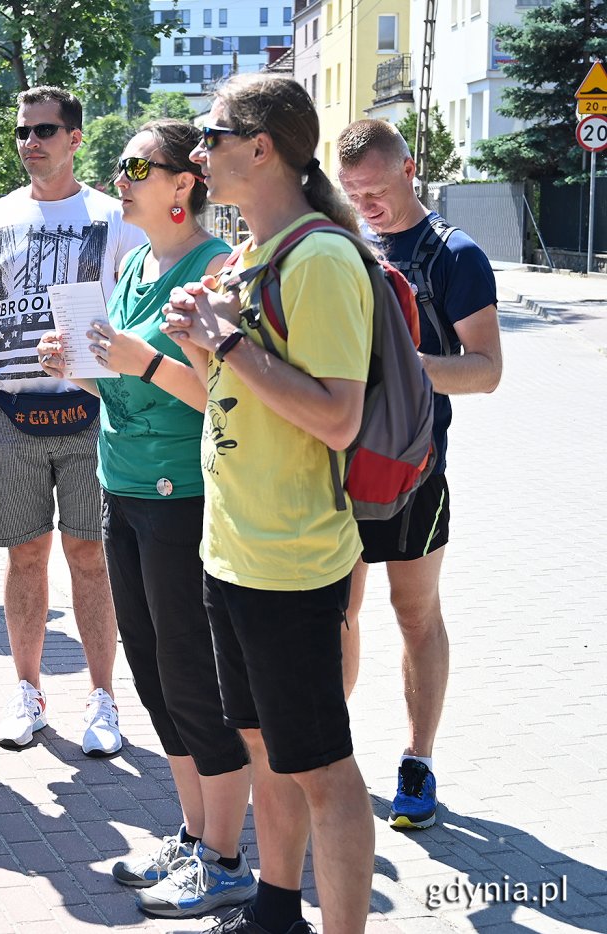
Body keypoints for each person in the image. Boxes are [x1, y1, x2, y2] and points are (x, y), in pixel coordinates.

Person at [162, 74, 376, 934]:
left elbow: (336, 415)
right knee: (263, 751)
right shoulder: (253, 254)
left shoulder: (319, 257)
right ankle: (277, 910)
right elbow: (244, 394)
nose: (197, 152)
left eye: (212, 136)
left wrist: (229, 343)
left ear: (263, 148)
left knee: (323, 768)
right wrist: (202, 343)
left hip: (290, 558)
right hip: (233, 550)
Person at [37, 119, 254, 919]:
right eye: (118, 165)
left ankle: (228, 860)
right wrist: (82, 372)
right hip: (120, 486)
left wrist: (145, 360)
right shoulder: (129, 265)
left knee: (194, 677)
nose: (118, 177)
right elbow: (121, 389)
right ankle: (195, 837)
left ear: (182, 183)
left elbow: (227, 395)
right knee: (156, 679)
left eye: (136, 166)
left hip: (184, 496)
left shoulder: (217, 269)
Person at [0, 86, 144, 756]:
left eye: (46, 130)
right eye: (23, 130)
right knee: (24, 556)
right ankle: (27, 692)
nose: (32, 142)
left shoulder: (116, 218)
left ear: (75, 139)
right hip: (10, 413)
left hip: (91, 411)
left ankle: (103, 699)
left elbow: (138, 317)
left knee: (90, 558)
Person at [335, 119, 502, 830]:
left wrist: (404, 372)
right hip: (338, 464)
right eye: (352, 193)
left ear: (409, 171)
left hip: (413, 469)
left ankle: (418, 760)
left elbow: (488, 371)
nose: (365, 205)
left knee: (414, 614)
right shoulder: (340, 246)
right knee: (335, 613)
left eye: (374, 190)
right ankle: (328, 755)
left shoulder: (454, 256)